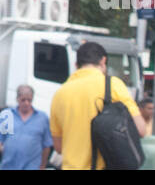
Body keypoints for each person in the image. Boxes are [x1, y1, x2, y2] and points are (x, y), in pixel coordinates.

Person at [49, 41, 147, 170]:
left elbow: (59, 147)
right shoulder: (113, 85)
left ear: (76, 65)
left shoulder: (60, 93)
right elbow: (141, 129)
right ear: (103, 61)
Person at [0, 84, 53, 170]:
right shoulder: (7, 115)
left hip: (32, 167)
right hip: (9, 166)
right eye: (23, 100)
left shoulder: (42, 117)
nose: (26, 103)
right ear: (17, 99)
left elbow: (46, 145)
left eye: (29, 100)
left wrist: (42, 165)